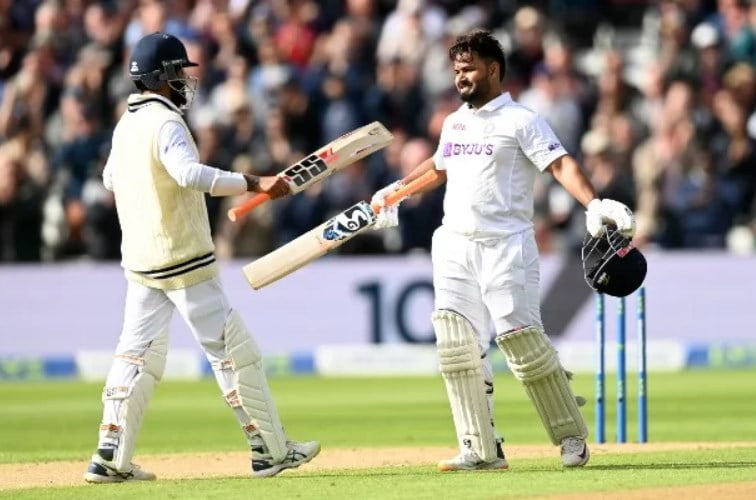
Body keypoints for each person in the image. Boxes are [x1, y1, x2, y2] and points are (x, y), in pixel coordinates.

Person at [371, 30, 635, 471]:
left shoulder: (521, 120)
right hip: (454, 244)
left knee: (522, 343)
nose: (460, 77)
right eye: (456, 70)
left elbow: (560, 163)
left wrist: (593, 203)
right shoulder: (454, 122)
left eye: (469, 69)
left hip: (506, 245)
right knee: (457, 345)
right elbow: (439, 167)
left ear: (493, 69)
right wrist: (395, 191)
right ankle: (480, 448)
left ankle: (570, 436)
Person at [84, 32, 320, 483]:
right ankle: (270, 451)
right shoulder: (166, 123)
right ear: (161, 76)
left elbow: (111, 179)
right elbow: (188, 174)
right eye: (178, 72)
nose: (185, 80)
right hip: (184, 262)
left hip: (142, 264)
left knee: (135, 357)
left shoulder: (126, 123)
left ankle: (110, 456)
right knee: (234, 353)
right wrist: (254, 182)